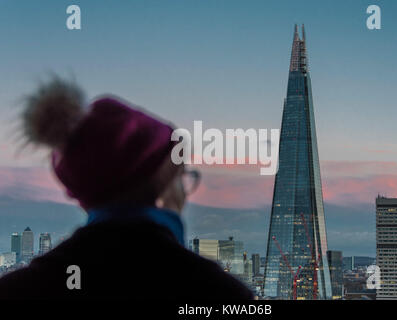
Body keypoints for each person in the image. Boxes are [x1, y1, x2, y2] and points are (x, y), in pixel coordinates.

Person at [0, 77, 254, 300]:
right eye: (180, 177)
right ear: (161, 185)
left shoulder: (19, 289)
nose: (185, 193)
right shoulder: (217, 293)